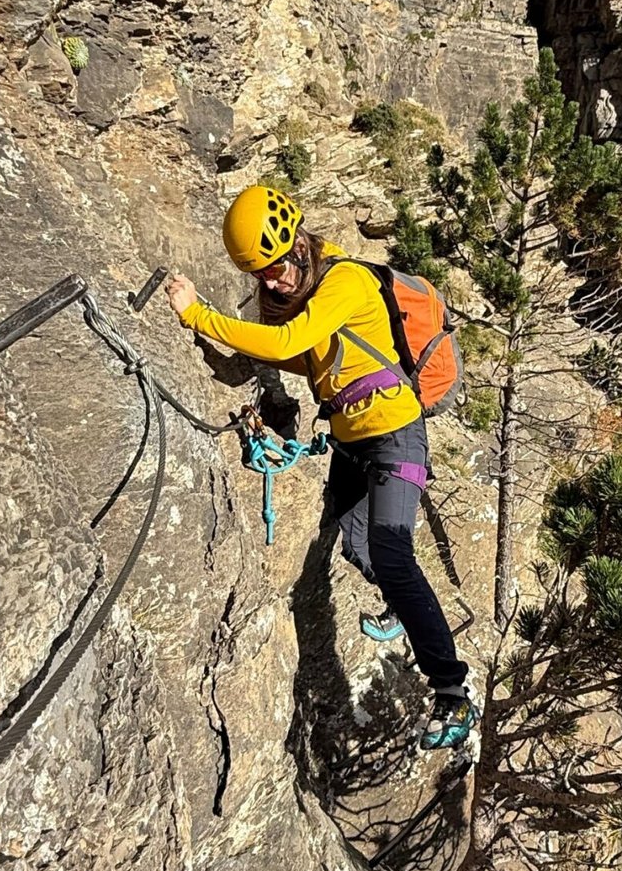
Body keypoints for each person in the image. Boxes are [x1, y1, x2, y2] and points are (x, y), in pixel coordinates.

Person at [165, 184, 477, 750]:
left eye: (277, 268)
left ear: (300, 245)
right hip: (352, 444)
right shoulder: (308, 296)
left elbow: (292, 337)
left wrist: (199, 316)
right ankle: (406, 608)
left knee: (391, 549)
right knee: (356, 543)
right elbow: (289, 353)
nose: (273, 282)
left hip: (396, 436)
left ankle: (452, 692)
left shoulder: (346, 281)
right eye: (261, 276)